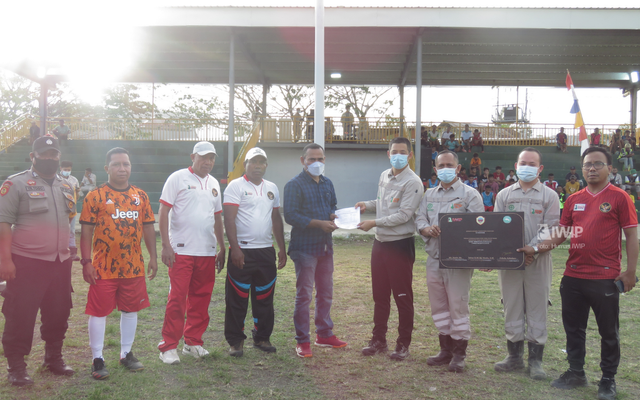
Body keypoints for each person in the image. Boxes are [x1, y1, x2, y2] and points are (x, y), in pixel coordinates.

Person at [519, 146, 638, 400]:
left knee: (608, 332)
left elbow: (631, 235)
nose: (591, 168)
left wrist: (630, 271)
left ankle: (608, 380)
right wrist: (535, 249)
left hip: (606, 277)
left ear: (610, 169)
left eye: (597, 164)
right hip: (573, 276)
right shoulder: (573, 199)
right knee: (573, 329)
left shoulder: (619, 197)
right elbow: (561, 233)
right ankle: (575, 372)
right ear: (581, 169)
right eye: (587, 165)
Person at [0, 136, 75, 386]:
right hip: (27, 262)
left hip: (60, 262)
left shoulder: (66, 185)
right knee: (20, 314)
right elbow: (3, 223)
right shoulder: (16, 184)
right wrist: (5, 260)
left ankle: (53, 358)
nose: (49, 158)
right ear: (33, 156)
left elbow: (69, 220)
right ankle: (17, 367)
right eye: (44, 154)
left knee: (59, 311)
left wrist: (71, 249)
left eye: (53, 154)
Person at [80, 147, 157, 380]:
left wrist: (153, 256)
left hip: (133, 266)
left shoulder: (140, 196)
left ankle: (126, 353)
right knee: (98, 312)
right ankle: (97, 358)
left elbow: (148, 228)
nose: (122, 168)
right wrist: (86, 262)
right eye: (116, 164)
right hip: (103, 268)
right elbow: (85, 233)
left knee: (130, 309)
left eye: (126, 164)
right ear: (107, 168)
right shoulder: (95, 196)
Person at [493, 147, 560, 380]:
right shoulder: (504, 195)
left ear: (540, 168)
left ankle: (536, 361)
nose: (527, 167)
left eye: (532, 164)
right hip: (509, 261)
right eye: (523, 163)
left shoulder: (549, 196)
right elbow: (497, 228)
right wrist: (515, 253)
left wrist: (532, 250)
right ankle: (514, 357)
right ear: (516, 165)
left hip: (538, 261)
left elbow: (552, 228)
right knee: (511, 304)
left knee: (537, 306)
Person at [157, 142, 226, 365]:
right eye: (203, 157)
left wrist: (222, 246)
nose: (208, 162)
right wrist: (166, 245)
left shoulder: (214, 183)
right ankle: (168, 347)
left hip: (206, 251)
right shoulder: (177, 178)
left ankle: (193, 342)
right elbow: (164, 210)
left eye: (211, 158)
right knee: (177, 299)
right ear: (193, 157)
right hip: (181, 251)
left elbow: (217, 217)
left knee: (201, 299)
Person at [355, 137, 423, 361]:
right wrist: (366, 205)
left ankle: (403, 344)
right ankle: (378, 340)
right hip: (380, 244)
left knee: (402, 297)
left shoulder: (413, 182)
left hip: (400, 245)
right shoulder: (385, 175)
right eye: (395, 151)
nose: (398, 155)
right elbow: (381, 203)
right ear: (388, 153)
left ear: (410, 155)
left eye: (403, 152)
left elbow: (404, 215)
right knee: (380, 296)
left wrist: (373, 222)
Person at [416, 150, 484, 373]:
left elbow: (478, 227)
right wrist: (426, 228)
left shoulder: (470, 195)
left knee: (457, 305)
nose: (445, 169)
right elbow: (420, 218)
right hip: (434, 258)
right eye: (440, 165)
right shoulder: (429, 194)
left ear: (458, 168)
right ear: (435, 170)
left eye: (449, 165)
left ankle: (459, 354)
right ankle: (444, 350)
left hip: (458, 261)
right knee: (439, 306)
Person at [283, 143, 347, 358]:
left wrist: (334, 217)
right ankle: (303, 341)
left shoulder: (327, 183)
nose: (316, 163)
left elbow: (332, 208)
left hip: (325, 247)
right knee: (304, 295)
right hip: (304, 249)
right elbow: (290, 215)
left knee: (326, 293)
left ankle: (324, 334)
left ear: (324, 160)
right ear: (303, 161)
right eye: (311, 159)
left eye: (320, 158)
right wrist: (318, 223)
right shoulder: (294, 185)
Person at [223, 147, 287, 357]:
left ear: (266, 165)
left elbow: (276, 219)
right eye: (253, 162)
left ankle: (262, 337)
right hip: (242, 252)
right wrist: (235, 249)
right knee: (237, 298)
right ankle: (235, 341)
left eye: (262, 162)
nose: (258, 166)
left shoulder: (272, 188)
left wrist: (281, 249)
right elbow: (229, 219)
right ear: (246, 164)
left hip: (266, 252)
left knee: (265, 297)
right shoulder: (236, 186)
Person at [60, 160, 81, 261]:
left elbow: (77, 193)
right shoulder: (56, 179)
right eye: (65, 170)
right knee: (60, 231)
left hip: (72, 209)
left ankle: (72, 253)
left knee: (71, 230)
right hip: (60, 209)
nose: (67, 171)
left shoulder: (74, 180)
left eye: (68, 170)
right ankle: (61, 251)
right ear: (61, 169)